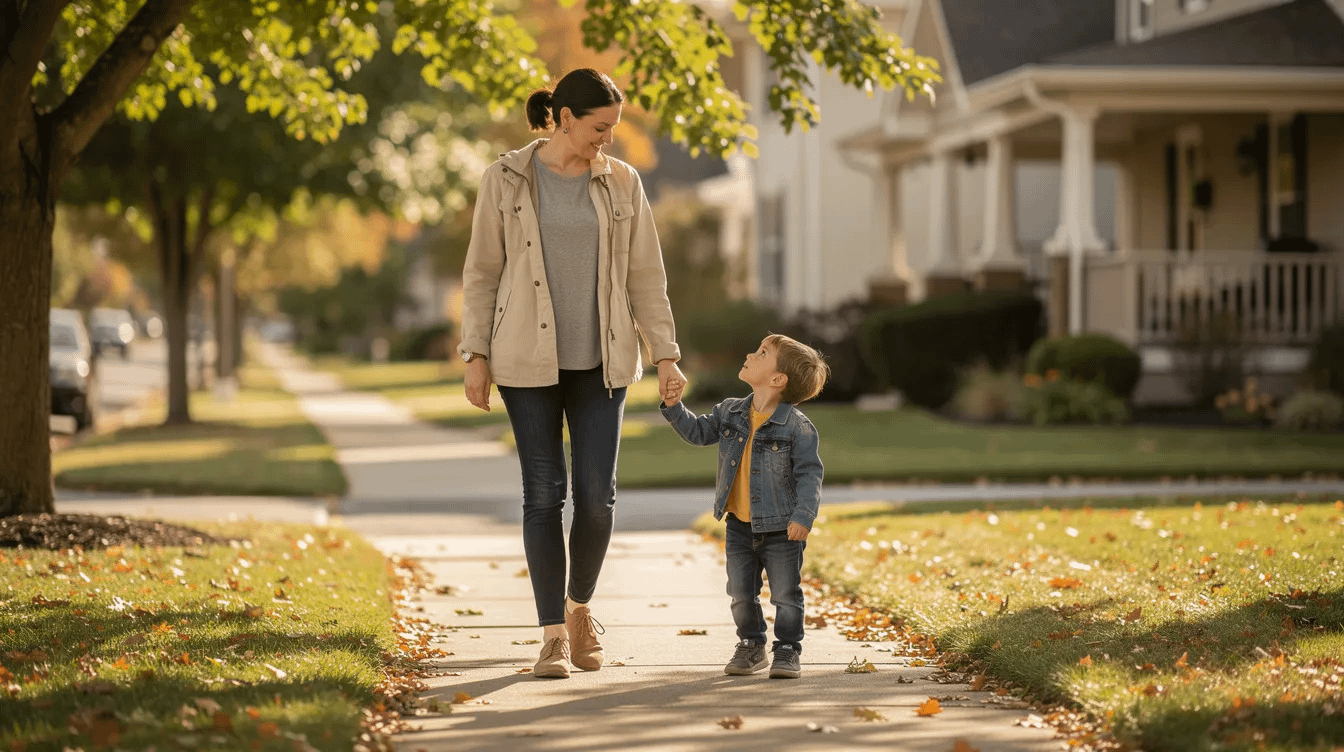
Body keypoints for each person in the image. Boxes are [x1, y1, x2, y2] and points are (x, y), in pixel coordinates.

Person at [458, 68, 687, 679]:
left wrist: (666, 353)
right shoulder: (505, 178)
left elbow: (646, 276)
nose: (606, 140)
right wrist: (474, 353)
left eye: (612, 128)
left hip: (603, 362)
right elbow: (481, 272)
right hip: (523, 361)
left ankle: (580, 606)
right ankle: (553, 634)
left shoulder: (622, 183)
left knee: (596, 498)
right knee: (542, 494)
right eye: (598, 127)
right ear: (563, 117)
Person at [660, 334, 828, 679]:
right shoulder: (731, 412)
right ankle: (752, 645)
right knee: (739, 592)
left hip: (782, 528)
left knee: (785, 594)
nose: (751, 353)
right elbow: (698, 432)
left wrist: (804, 516)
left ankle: (787, 650)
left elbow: (810, 475)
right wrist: (675, 407)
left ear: (777, 379)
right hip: (739, 525)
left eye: (763, 353)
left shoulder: (798, 428)